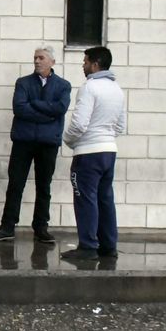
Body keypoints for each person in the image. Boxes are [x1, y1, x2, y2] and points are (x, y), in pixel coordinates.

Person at [0, 46, 72, 245]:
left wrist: (34, 104)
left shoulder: (63, 85)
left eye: (41, 58)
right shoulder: (23, 82)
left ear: (52, 62)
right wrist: (47, 114)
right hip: (23, 141)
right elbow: (19, 108)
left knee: (44, 186)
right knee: (15, 184)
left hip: (48, 143)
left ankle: (41, 227)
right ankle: (7, 226)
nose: (37, 61)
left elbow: (60, 108)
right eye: (35, 57)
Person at [62, 46, 127, 262]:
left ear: (95, 64)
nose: (83, 65)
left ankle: (88, 246)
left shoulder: (89, 87)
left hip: (88, 153)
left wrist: (68, 140)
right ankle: (108, 246)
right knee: (105, 199)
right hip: (109, 150)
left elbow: (79, 124)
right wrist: (105, 137)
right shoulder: (117, 89)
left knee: (85, 198)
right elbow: (121, 126)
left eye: (86, 62)